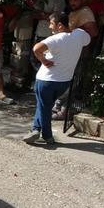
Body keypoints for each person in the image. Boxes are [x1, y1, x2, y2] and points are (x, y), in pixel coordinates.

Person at [24, 12, 91, 145]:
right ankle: (35, 129)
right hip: (64, 81)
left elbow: (37, 49)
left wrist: (43, 60)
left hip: (46, 80)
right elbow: (87, 38)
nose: (49, 26)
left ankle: (47, 136)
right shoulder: (79, 35)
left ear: (60, 25)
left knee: (44, 107)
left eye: (51, 23)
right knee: (44, 105)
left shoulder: (56, 39)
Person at [29, 0, 67, 84]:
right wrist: (46, 14)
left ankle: (46, 81)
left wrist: (43, 14)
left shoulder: (59, 0)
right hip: (39, 33)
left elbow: (56, 17)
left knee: (48, 59)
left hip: (51, 35)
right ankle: (38, 80)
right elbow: (34, 14)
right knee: (35, 58)